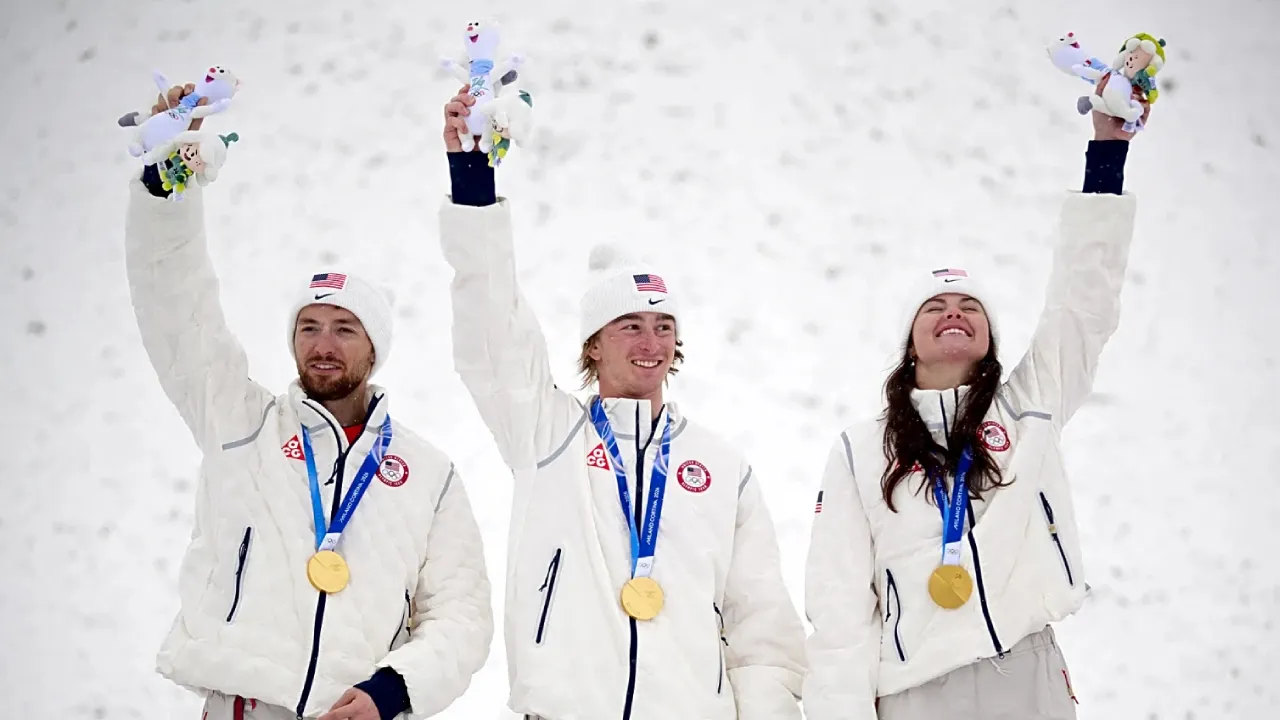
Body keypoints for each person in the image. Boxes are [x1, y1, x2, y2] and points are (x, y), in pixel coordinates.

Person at [435, 86, 807, 720]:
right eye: (629, 325)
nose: (650, 341)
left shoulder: (721, 467)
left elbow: (762, 628)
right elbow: (492, 326)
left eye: (663, 326)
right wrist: (473, 182)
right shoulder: (547, 436)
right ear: (594, 345)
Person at [125, 83, 493, 720]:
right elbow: (177, 309)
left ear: (374, 349)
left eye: (345, 329)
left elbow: (460, 616)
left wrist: (393, 691)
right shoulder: (240, 424)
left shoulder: (429, 477)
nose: (323, 346)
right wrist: (167, 193)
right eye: (309, 327)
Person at [802, 74, 1150, 719]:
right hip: (916, 689)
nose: (953, 314)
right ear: (909, 339)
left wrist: (1107, 154)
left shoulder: (1030, 406)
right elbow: (839, 605)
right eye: (934, 306)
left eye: (970, 307)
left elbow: (1084, 303)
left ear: (990, 338)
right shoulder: (859, 449)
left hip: (1028, 671)